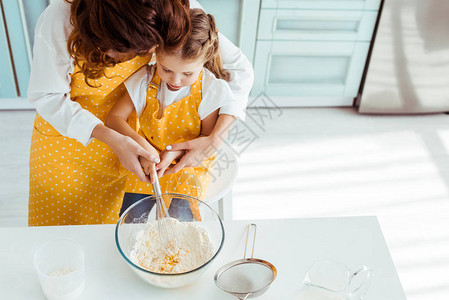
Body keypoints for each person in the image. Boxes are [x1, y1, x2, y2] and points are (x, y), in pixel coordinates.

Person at [27, 0, 253, 226]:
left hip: (133, 142)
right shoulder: (59, 18)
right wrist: (114, 137)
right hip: (66, 146)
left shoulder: (173, 9)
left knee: (116, 235)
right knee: (60, 232)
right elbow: (48, 97)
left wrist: (214, 139)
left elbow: (239, 70)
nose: (122, 58)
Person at [106, 9, 236, 219]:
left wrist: (173, 156)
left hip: (187, 164)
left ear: (204, 61)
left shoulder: (208, 90)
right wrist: (144, 149)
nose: (175, 81)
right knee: (131, 216)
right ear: (155, 54)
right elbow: (114, 119)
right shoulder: (145, 80)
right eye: (166, 69)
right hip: (147, 161)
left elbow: (205, 140)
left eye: (187, 74)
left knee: (180, 218)